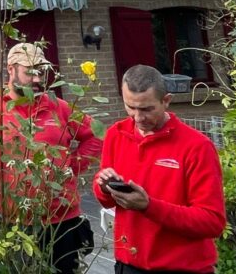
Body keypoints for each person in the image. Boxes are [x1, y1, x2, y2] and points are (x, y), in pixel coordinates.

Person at [0, 42, 102, 274]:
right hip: (15, 224)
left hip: (62, 221)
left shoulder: (59, 107)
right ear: (10, 69)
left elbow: (97, 136)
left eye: (41, 72)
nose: (37, 79)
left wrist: (70, 166)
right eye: (30, 71)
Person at [93, 64, 225, 274]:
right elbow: (106, 200)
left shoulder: (197, 146)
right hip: (128, 265)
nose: (137, 118)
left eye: (146, 109)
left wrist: (149, 207)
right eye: (130, 107)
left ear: (166, 101)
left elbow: (212, 222)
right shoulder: (115, 135)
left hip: (182, 268)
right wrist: (103, 186)